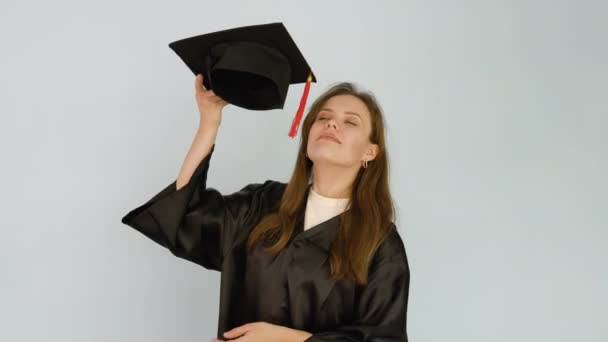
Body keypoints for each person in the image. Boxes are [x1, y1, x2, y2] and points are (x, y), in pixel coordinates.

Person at [121, 72, 410, 341]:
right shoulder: (263, 203)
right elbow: (184, 215)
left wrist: (286, 339)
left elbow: (383, 337)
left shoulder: (379, 241)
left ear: (370, 152)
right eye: (323, 117)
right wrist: (209, 121)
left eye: (351, 121)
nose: (331, 123)